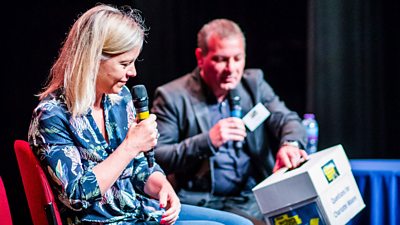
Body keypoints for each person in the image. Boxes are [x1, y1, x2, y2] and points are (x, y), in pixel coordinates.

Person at [28, 5, 253, 225]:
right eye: (124, 63)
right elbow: (76, 196)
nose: (132, 72)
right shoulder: (52, 116)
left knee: (241, 223)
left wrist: (162, 185)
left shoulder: (119, 98)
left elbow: (139, 169)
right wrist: (131, 145)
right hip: (104, 220)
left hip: (138, 211)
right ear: (93, 60)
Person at [151, 18, 308, 224]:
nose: (231, 68)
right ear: (201, 57)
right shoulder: (172, 96)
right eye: (221, 59)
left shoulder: (253, 85)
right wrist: (208, 141)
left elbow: (287, 119)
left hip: (252, 196)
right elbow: (158, 156)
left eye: (237, 58)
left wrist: (290, 144)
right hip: (203, 201)